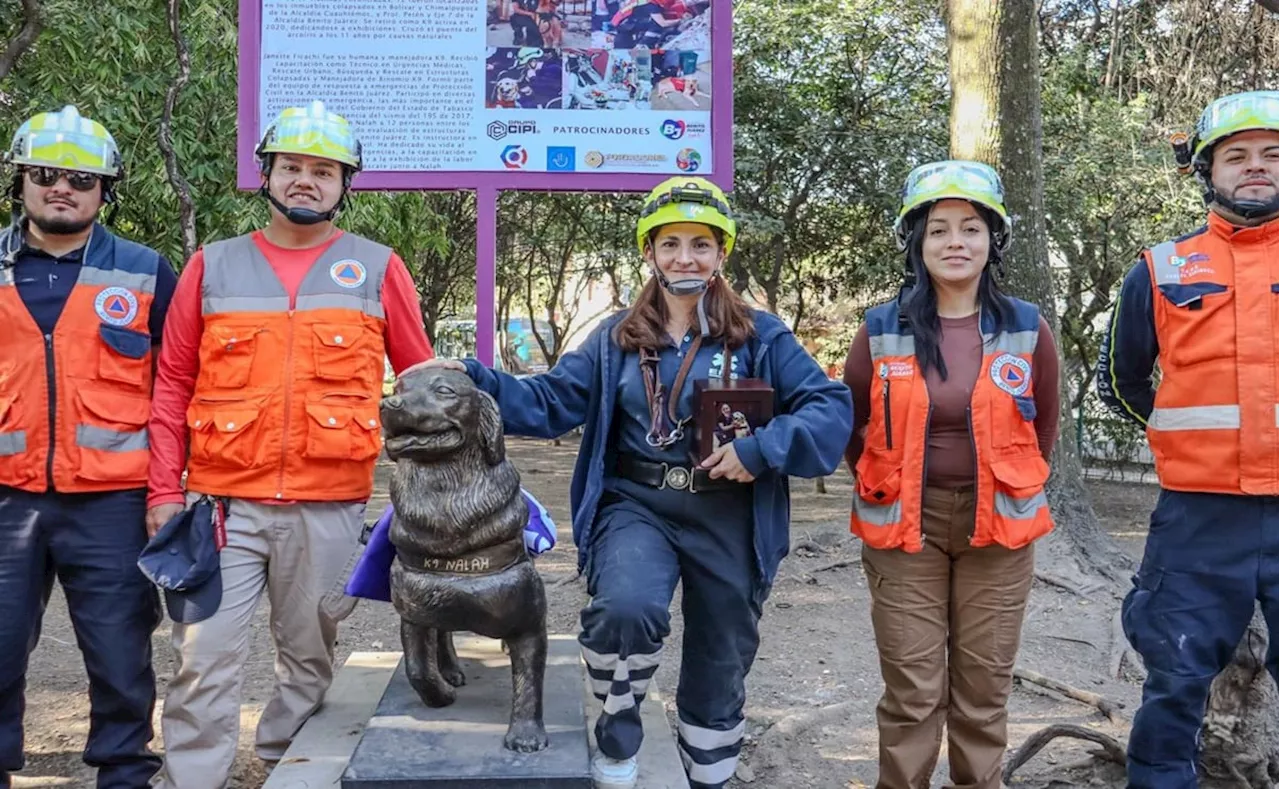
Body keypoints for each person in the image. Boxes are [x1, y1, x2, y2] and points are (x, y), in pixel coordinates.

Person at [411, 176, 851, 789]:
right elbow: (552, 400)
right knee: (624, 607)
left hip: (729, 514)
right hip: (637, 503)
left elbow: (829, 406)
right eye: (670, 243)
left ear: (722, 251)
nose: (685, 257)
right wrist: (477, 378)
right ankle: (618, 725)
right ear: (649, 251)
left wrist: (762, 448)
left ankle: (708, 771)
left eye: (701, 243)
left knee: (721, 654)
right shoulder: (617, 337)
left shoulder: (759, 335)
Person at [144, 100, 435, 789]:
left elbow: (422, 387)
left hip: (328, 506)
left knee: (308, 657)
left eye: (323, 171)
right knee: (202, 653)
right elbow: (171, 387)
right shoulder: (211, 266)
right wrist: (163, 490)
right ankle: (194, 779)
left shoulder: (377, 267)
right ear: (267, 174)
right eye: (293, 167)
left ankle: (288, 769)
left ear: (344, 185)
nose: (306, 180)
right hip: (224, 506)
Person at [843, 160, 1060, 789]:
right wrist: (891, 480)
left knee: (983, 689)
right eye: (939, 230)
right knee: (912, 690)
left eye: (971, 228)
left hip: (999, 530)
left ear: (993, 241)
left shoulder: (1026, 326)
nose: (955, 242)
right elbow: (852, 423)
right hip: (905, 529)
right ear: (918, 243)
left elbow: (1043, 424)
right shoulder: (881, 328)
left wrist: (1008, 479)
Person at [1096, 90, 1280, 789]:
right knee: (1173, 682)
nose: (1255, 167)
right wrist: (1189, 440)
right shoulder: (1160, 268)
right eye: (1237, 155)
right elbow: (1123, 381)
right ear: (1208, 170)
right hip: (1199, 517)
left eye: (1272, 154)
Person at [0, 105, 178, 789]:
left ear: (105, 190)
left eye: (81, 178)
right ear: (21, 180)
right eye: (46, 174)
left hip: (112, 501)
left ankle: (125, 773)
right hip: (7, 498)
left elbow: (174, 389)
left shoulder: (144, 272)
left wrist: (167, 491)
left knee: (119, 654)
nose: (62, 188)